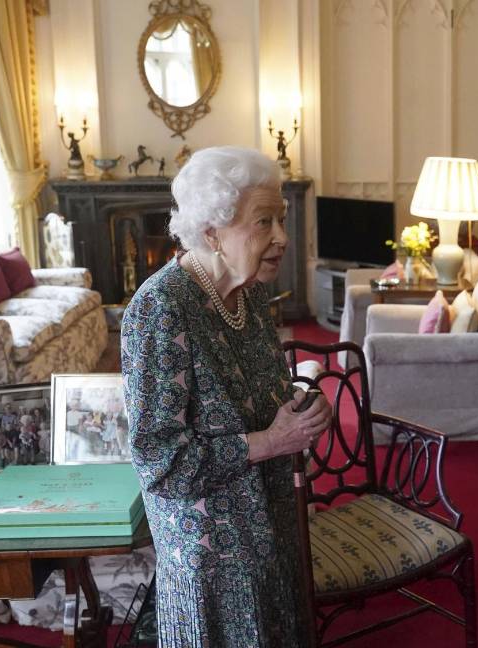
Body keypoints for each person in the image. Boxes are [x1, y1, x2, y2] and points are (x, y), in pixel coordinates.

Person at [122, 146, 330, 647]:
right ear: (211, 231)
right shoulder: (159, 310)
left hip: (273, 529)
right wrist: (270, 442)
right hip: (213, 561)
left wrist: (301, 402)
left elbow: (260, 395)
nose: (282, 237)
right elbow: (160, 463)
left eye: (280, 220)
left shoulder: (252, 293)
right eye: (263, 223)